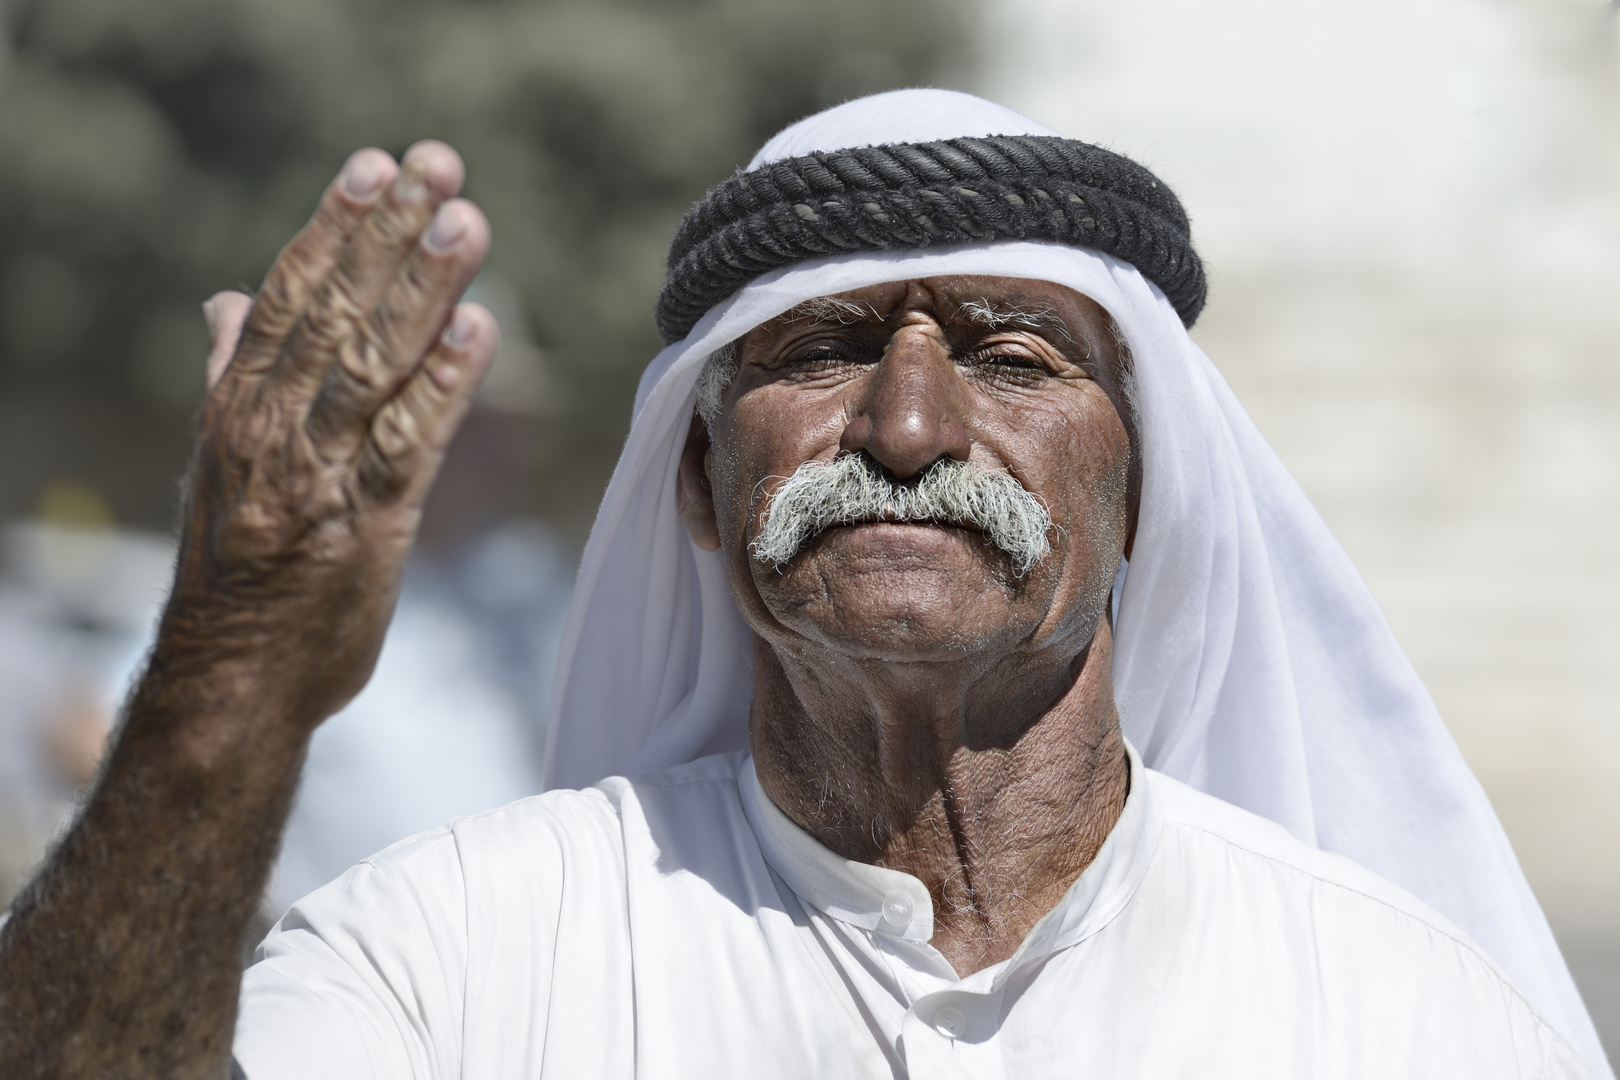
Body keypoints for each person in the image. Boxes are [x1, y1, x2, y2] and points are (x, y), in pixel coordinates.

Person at [0, 89, 1609, 1079]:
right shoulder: (462, 955)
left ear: (1146, 494)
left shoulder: (1404, 1018)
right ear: (699, 485)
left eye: (1011, 354)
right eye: (826, 351)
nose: (908, 428)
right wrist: (237, 669)